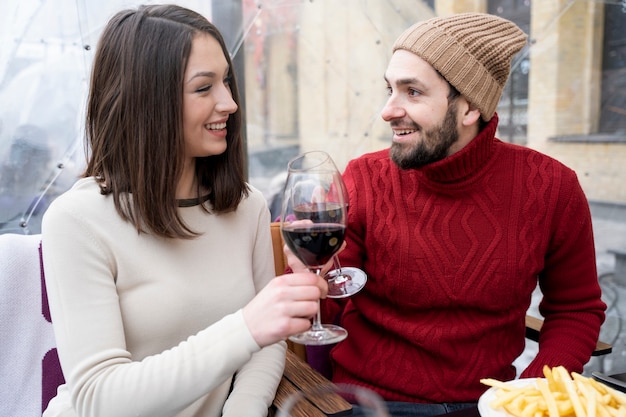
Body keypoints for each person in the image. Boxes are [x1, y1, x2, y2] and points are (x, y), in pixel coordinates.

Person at [286, 12, 607, 417]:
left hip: (489, 405)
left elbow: (576, 311)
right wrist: (306, 281)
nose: (388, 110)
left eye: (412, 92)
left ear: (470, 107)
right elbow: (324, 305)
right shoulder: (365, 179)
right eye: (390, 89)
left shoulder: (552, 187)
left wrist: (532, 397)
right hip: (371, 404)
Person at [40, 5, 326, 417]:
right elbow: (99, 398)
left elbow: (267, 343)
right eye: (203, 88)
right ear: (147, 100)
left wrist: (243, 409)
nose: (229, 102)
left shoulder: (247, 207)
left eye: (226, 81)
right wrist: (245, 326)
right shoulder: (77, 221)